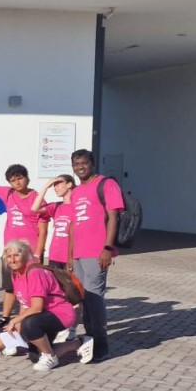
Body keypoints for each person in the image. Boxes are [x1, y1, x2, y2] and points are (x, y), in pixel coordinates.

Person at [67, 149, 123, 363]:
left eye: (84, 163)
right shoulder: (76, 192)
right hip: (79, 253)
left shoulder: (106, 184)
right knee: (84, 298)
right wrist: (70, 255)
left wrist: (108, 248)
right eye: (76, 164)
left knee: (95, 297)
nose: (80, 167)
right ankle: (89, 339)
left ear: (92, 164)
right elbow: (73, 225)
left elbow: (113, 217)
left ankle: (101, 344)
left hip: (97, 252)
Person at [3, 240, 92, 371]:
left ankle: (50, 357)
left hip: (61, 313)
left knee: (29, 324)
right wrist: (18, 324)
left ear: (25, 255)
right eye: (9, 256)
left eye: (16, 255)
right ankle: (79, 343)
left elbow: (36, 307)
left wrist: (15, 320)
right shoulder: (15, 274)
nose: (12, 260)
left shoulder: (34, 273)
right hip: (44, 315)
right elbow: (24, 303)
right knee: (35, 356)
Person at [0, 164, 50, 326]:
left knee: (31, 288)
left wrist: (38, 254)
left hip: (30, 253)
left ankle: (26, 320)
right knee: (10, 286)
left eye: (20, 178)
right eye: (13, 180)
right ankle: (5, 317)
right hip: (10, 251)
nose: (17, 182)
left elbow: (43, 231)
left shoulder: (38, 200)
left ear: (27, 178)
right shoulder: (8, 193)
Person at [31, 175, 77, 270]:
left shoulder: (77, 206)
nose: (55, 188)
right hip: (55, 255)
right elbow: (34, 208)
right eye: (54, 185)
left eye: (58, 184)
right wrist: (46, 187)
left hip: (71, 256)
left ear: (69, 184)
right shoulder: (56, 206)